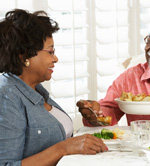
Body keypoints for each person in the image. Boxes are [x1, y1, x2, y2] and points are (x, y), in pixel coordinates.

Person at [0, 9, 107, 166]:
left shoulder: (35, 90)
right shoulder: (6, 98)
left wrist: (91, 118)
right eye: (50, 51)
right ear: (24, 56)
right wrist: (62, 149)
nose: (55, 58)